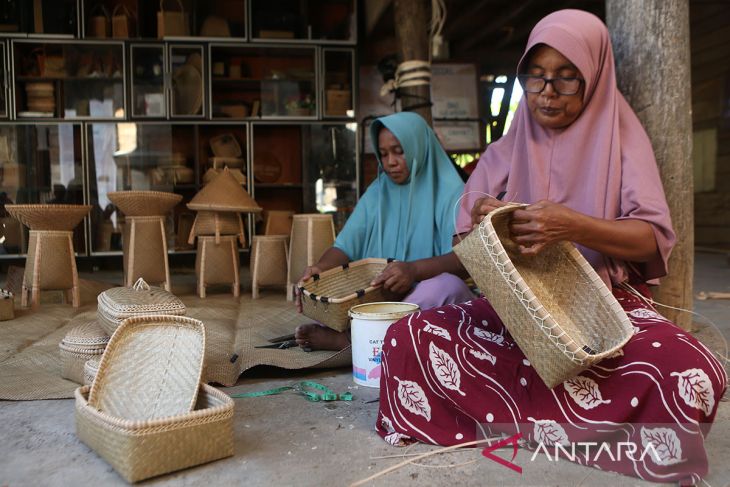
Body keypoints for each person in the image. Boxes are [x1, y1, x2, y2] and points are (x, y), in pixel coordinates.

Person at [375, 10, 727, 484]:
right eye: (536, 79)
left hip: (601, 313)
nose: (546, 93)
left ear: (594, 78)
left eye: (567, 80)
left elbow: (651, 235)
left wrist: (572, 225)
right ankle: (560, 424)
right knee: (405, 338)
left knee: (695, 373)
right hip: (513, 314)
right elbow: (464, 242)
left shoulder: (622, 137)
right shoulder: (508, 145)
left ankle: (513, 421)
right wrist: (488, 225)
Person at [294, 112, 474, 351]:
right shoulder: (378, 191)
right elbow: (345, 246)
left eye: (399, 151)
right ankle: (373, 338)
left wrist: (413, 270)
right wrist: (321, 270)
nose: (390, 162)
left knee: (448, 289)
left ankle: (353, 341)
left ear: (419, 146)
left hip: (422, 293)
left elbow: (464, 260)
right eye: (384, 153)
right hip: (379, 295)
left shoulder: (453, 192)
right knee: (325, 297)